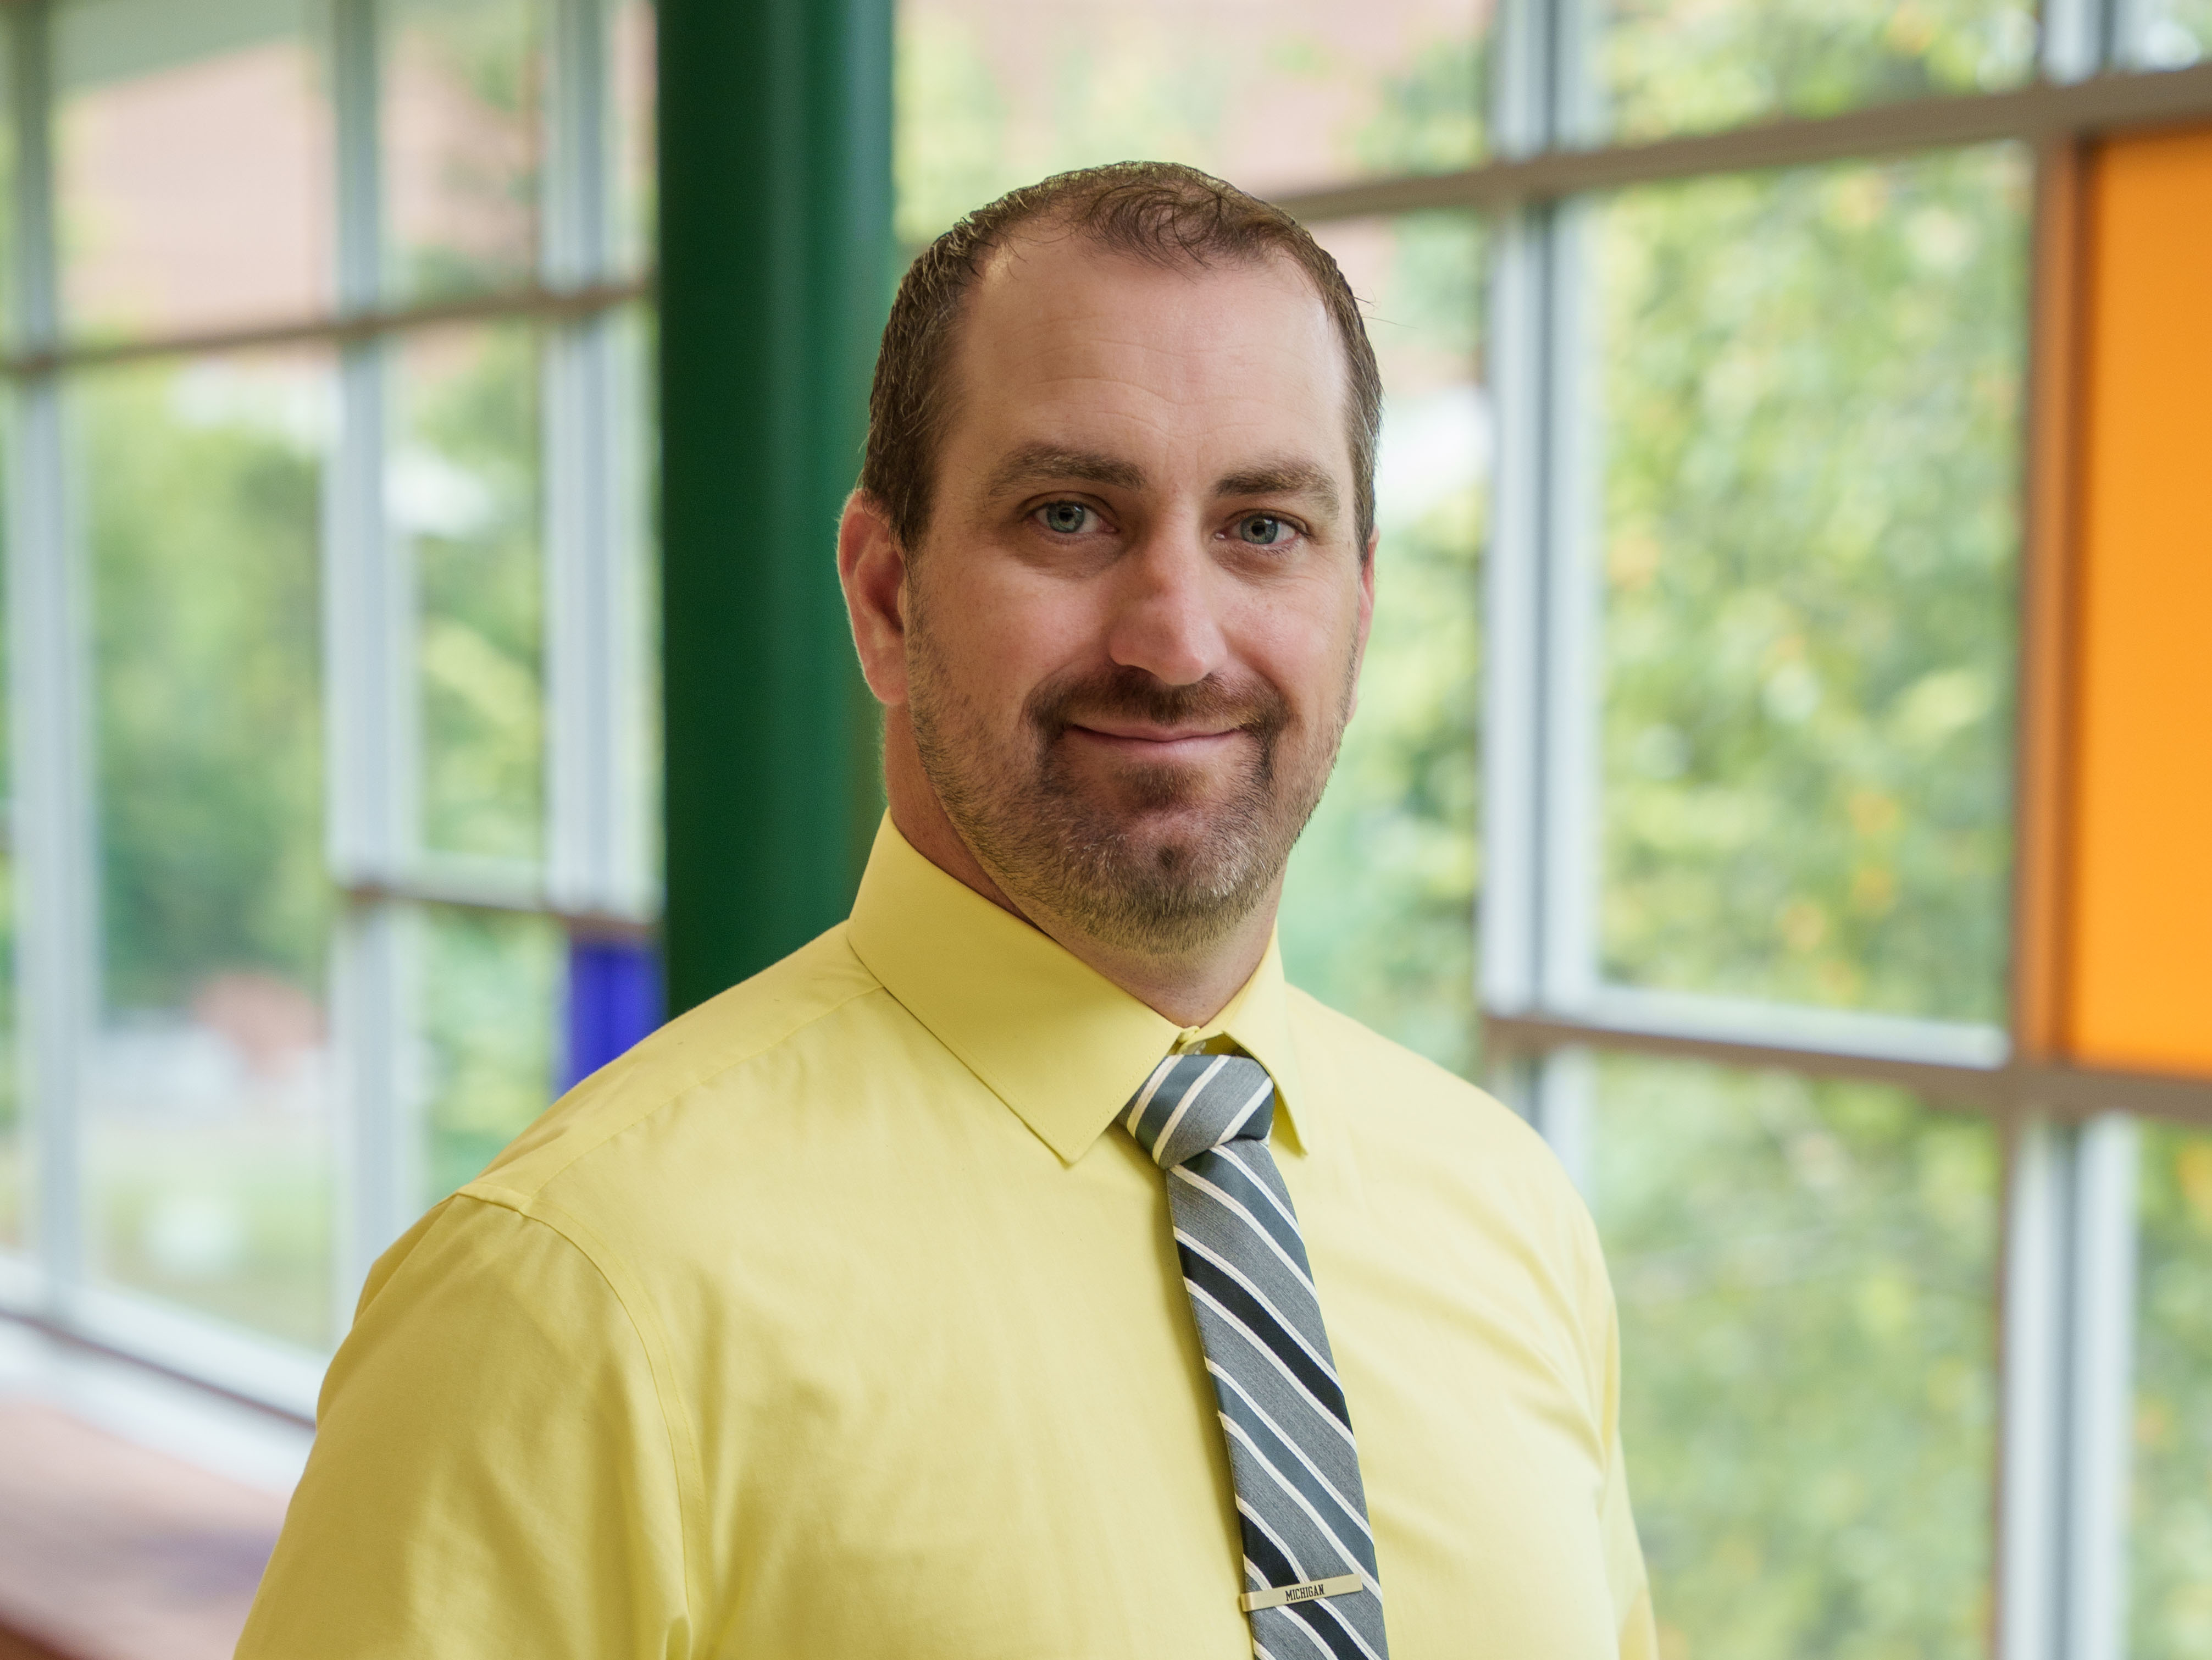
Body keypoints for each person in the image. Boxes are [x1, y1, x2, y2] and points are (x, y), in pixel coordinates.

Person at [237, 162, 1655, 1660]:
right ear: (885, 596)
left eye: (1261, 527)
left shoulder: (1508, 1215)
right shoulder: (577, 1291)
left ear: (1355, 599)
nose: (1176, 640)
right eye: (1067, 515)